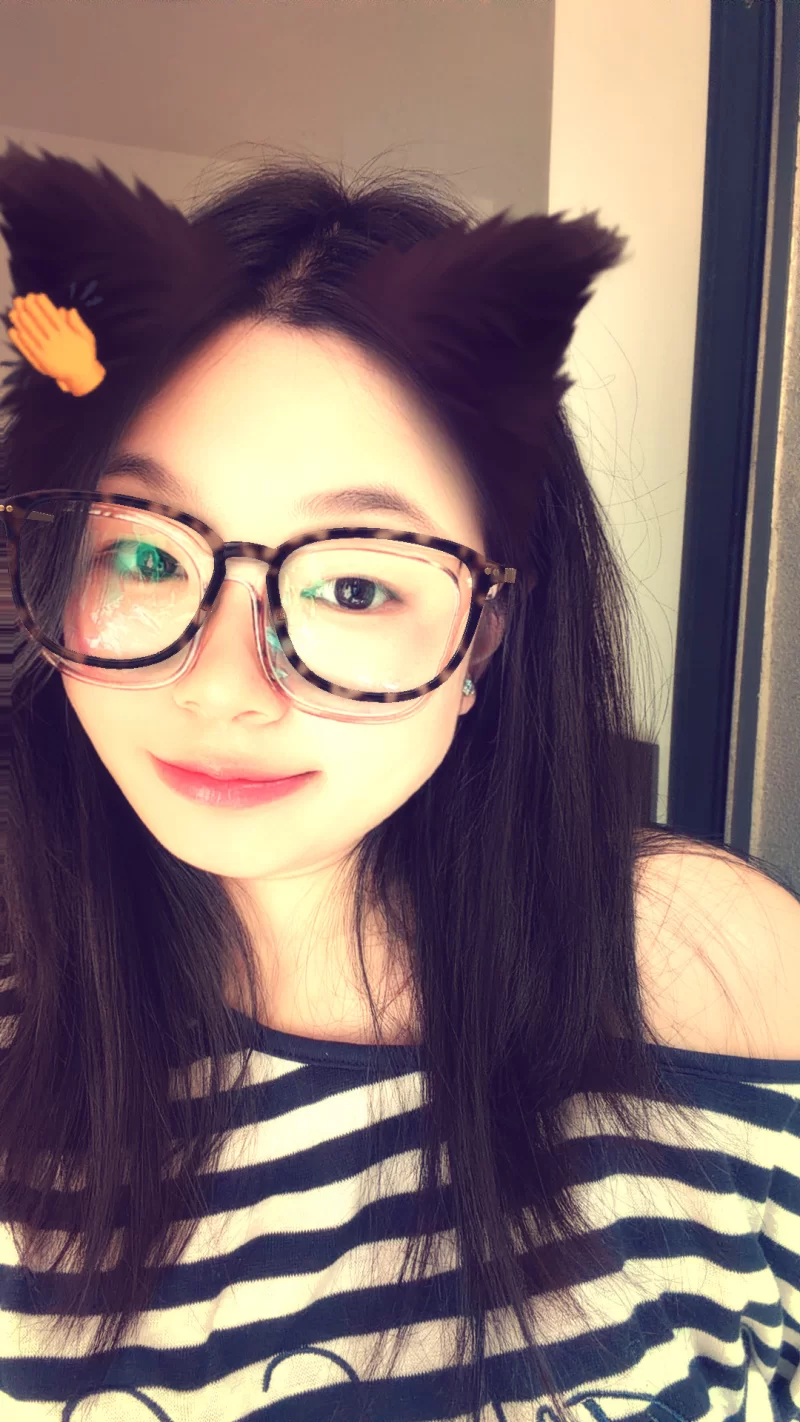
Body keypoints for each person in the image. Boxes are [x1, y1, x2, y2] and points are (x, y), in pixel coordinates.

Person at [0, 143, 798, 1422]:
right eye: (141, 556)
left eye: (355, 584)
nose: (225, 687)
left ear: (481, 638)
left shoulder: (700, 966)